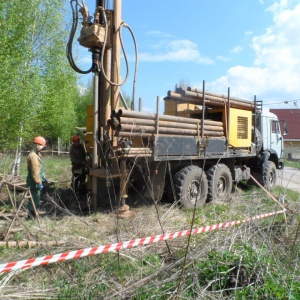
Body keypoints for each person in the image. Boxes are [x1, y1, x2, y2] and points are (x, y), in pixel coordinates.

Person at [26, 136, 46, 218]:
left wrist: (43, 175)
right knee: (34, 199)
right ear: (37, 145)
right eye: (41, 147)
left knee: (34, 199)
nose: (42, 149)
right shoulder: (34, 156)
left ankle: (32, 216)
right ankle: (32, 217)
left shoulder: (35, 154)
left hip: (33, 180)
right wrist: (38, 182)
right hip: (34, 182)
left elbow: (38, 168)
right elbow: (35, 171)